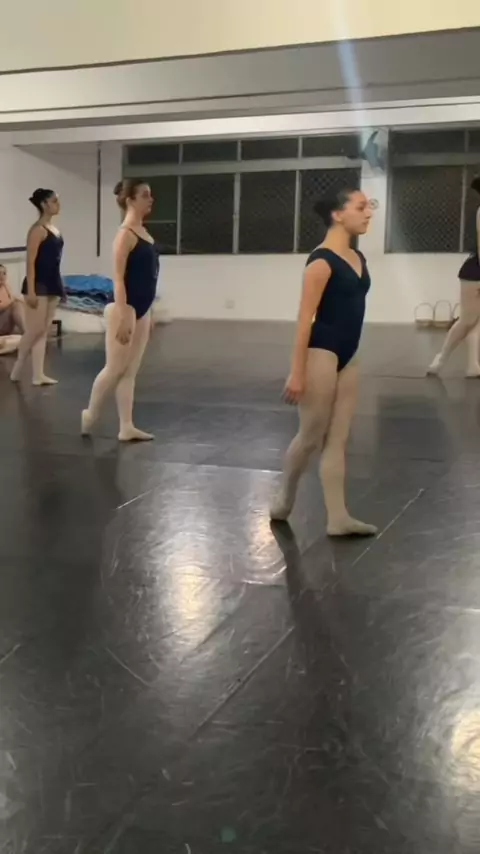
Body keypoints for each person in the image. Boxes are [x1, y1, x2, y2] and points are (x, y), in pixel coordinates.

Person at [270, 188, 377, 536]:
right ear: (337, 214)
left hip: (350, 352)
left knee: (338, 439)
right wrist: (297, 371)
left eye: (369, 207)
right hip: (322, 350)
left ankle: (338, 517)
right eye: (361, 207)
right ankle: (285, 495)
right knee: (311, 436)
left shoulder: (357, 257)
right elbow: (304, 319)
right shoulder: (320, 262)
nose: (368, 213)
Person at [81, 179, 159, 442]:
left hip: (142, 309)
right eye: (145, 195)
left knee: (130, 371)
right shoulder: (125, 235)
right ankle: (90, 414)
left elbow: (149, 276)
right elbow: (118, 279)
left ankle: (126, 426)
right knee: (114, 368)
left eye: (150, 195)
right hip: (123, 309)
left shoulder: (143, 232)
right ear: (130, 200)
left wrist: (149, 311)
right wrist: (125, 314)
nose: (151, 199)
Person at [10, 189, 65, 385]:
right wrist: (32, 290)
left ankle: (38, 374)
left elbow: (55, 261)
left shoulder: (54, 230)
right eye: (54, 201)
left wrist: (61, 286)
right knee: (34, 329)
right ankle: (18, 366)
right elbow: (31, 263)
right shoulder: (37, 230)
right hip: (38, 284)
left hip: (52, 283)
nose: (58, 204)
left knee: (43, 331)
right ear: (44, 204)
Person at [428, 176, 480, 377]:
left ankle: (473, 365)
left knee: (476, 321)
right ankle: (440, 358)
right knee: (467, 320)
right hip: (475, 272)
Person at [0, 264, 25, 336]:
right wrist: (13, 301)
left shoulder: (6, 287)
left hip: (6, 324)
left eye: (4, 273)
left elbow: (12, 299)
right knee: (16, 304)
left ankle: (27, 331)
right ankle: (26, 332)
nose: (2, 276)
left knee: (19, 304)